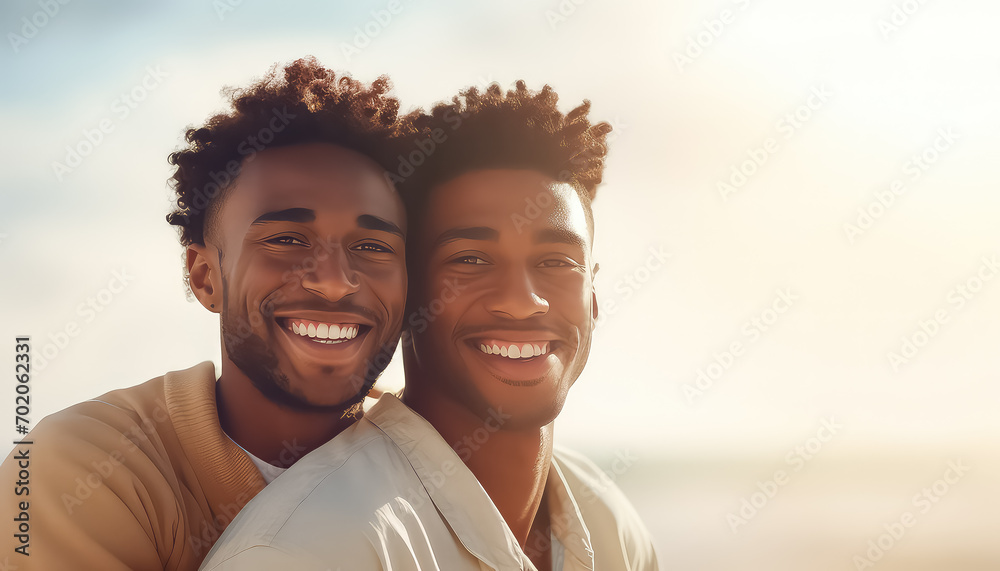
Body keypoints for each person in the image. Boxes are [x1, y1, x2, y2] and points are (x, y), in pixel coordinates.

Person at [200, 81, 659, 570]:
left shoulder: (610, 523)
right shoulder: (305, 550)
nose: (523, 302)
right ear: (407, 292)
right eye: (471, 259)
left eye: (556, 261)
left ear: (592, 296)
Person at [0, 57, 408, 570]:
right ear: (204, 276)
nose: (333, 280)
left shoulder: (431, 455)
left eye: (372, 246)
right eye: (285, 239)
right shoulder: (85, 467)